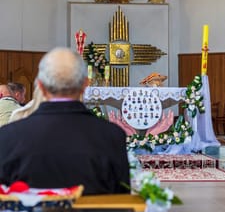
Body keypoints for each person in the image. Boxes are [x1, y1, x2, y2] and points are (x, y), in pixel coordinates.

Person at [0, 47, 130, 195]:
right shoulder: (112, 136)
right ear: (85, 85)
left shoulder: (8, 136)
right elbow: (121, 200)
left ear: (40, 86)